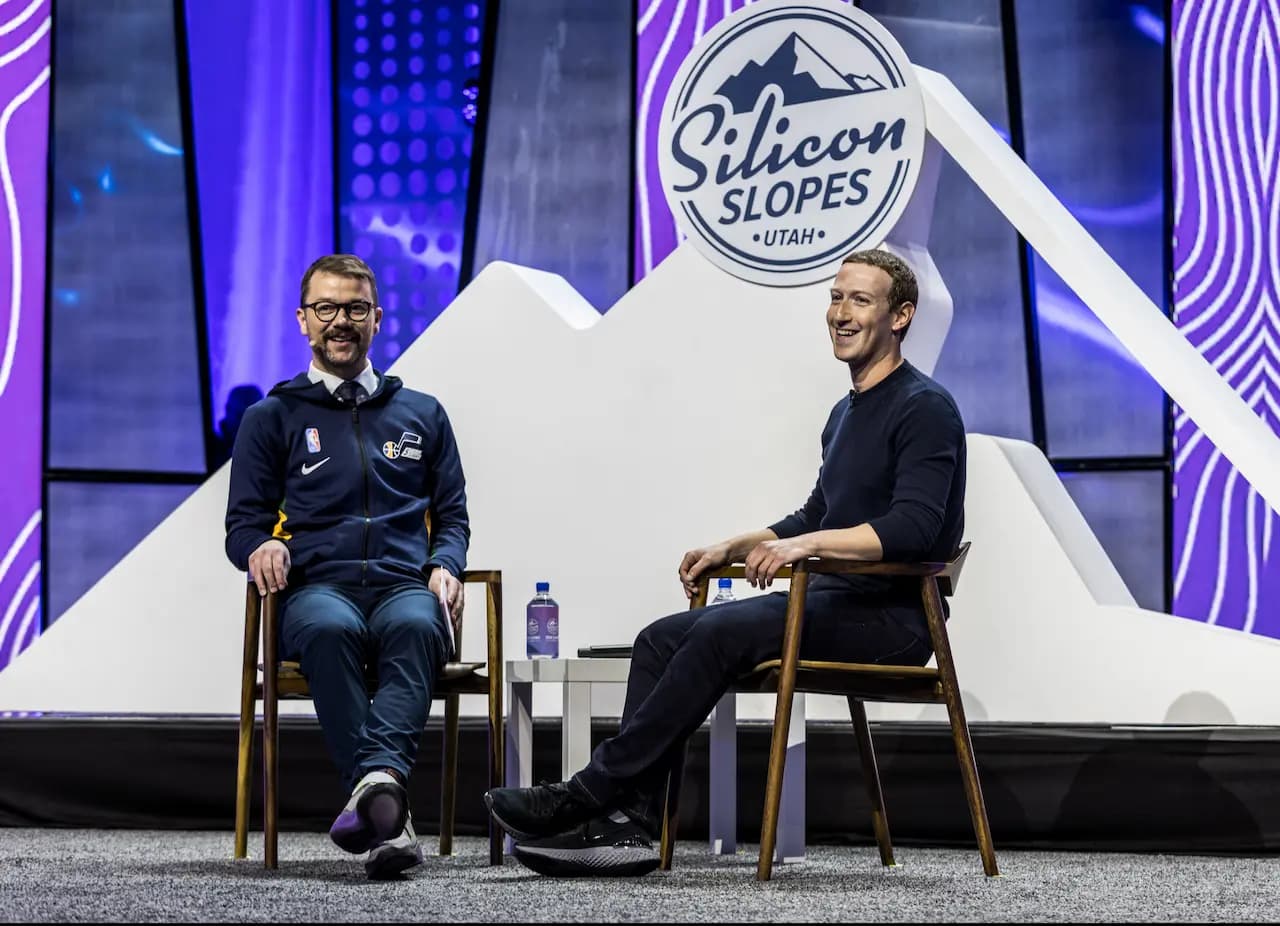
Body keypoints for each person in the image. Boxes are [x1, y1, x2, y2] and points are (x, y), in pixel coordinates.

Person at [484, 249, 966, 877]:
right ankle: (633, 823)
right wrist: (734, 547)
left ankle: (587, 793)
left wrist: (806, 548)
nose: (840, 314)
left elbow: (915, 528)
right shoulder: (844, 413)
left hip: (894, 617)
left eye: (859, 301)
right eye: (835, 297)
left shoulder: (925, 407)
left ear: (900, 317)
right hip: (831, 600)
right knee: (657, 639)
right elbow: (818, 511)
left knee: (719, 630)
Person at [224, 254, 469, 879]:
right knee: (331, 632)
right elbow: (242, 526)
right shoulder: (272, 417)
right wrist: (261, 547)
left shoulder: (423, 413)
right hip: (317, 590)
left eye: (355, 309)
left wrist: (444, 562)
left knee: (419, 627)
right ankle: (387, 804)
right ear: (303, 321)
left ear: (377, 319)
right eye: (327, 309)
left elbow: (453, 516)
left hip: (401, 587)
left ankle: (377, 791)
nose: (341, 322)